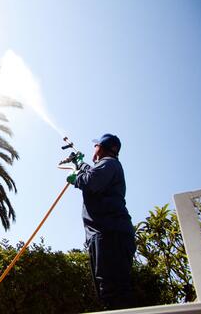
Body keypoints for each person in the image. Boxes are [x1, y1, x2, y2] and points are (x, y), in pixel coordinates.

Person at [66, 133, 136, 310]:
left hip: (109, 234)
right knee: (110, 290)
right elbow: (94, 174)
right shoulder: (109, 165)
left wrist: (76, 177)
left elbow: (91, 181)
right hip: (111, 233)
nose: (94, 148)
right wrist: (80, 164)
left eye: (96, 145)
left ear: (102, 148)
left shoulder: (109, 163)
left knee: (112, 291)